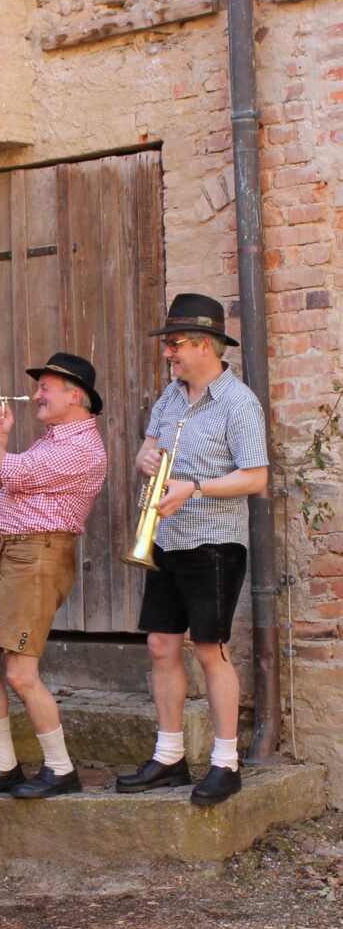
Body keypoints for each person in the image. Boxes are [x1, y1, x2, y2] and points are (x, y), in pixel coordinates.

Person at [116, 294, 268, 806]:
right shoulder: (170, 396)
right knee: (161, 646)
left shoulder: (239, 402)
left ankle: (226, 764)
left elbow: (256, 477)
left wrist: (193, 488)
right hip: (167, 539)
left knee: (211, 650)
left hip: (215, 545)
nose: (169, 353)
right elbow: (148, 445)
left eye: (176, 344)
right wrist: (144, 457)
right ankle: (170, 756)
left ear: (206, 344)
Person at [0, 354, 107, 799]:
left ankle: (60, 768)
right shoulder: (50, 442)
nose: (37, 394)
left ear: (76, 396)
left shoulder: (81, 447)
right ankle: (4, 764)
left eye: (46, 387)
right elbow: (1, 490)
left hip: (37, 557)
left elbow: (1, 470)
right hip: (8, 553)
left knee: (20, 672)